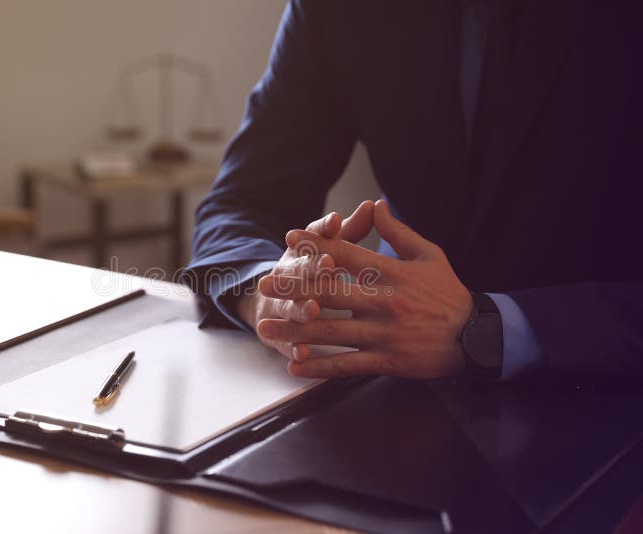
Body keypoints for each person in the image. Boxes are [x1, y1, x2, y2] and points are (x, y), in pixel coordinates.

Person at [184, 0, 643, 385]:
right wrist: (269, 291)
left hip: (606, 402)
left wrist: (488, 328)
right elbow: (240, 205)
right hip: (388, 395)